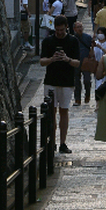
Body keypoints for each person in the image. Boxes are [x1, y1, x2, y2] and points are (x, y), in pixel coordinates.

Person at [39, 16, 81, 154]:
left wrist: (66, 59)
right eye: (57, 30)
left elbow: (77, 62)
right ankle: (52, 141)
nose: (60, 33)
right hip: (50, 80)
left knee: (64, 110)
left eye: (62, 30)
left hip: (67, 81)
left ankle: (63, 142)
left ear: (66, 28)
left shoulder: (73, 41)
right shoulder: (48, 41)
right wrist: (52, 59)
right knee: (51, 112)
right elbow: (42, 61)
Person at [72, 18, 94, 104]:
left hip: (86, 62)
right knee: (76, 81)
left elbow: (92, 48)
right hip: (76, 62)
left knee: (87, 80)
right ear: (74, 29)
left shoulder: (87, 37)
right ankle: (77, 98)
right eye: (78, 27)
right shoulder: (72, 39)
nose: (80, 28)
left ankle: (87, 94)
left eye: (81, 26)